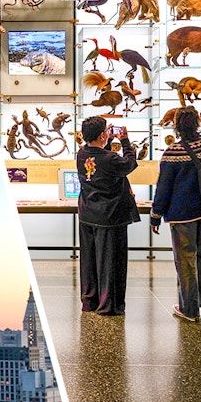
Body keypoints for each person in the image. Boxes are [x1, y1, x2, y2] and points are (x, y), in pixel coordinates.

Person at [149, 107, 201, 322]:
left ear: (177, 125)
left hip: (182, 214)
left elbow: (163, 188)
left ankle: (189, 309)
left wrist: (155, 215)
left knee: (185, 261)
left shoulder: (172, 153)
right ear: (197, 122)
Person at [75, 116, 140, 316]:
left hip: (88, 214)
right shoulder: (110, 159)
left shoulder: (81, 154)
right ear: (102, 134)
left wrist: (109, 141)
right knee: (111, 262)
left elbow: (101, 159)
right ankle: (108, 304)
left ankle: (90, 301)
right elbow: (129, 164)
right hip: (110, 217)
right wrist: (125, 141)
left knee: (90, 260)